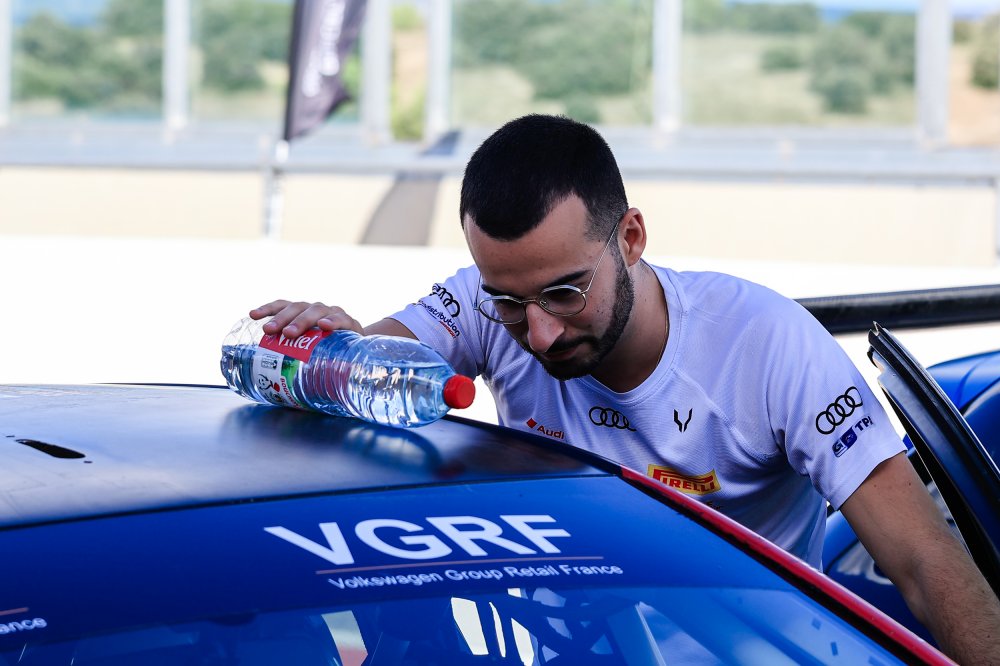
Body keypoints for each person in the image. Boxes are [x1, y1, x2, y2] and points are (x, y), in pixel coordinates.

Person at [253, 114, 1000, 663]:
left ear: (631, 238)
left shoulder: (768, 347)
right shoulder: (488, 302)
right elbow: (363, 368)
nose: (538, 332)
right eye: (508, 301)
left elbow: (925, 564)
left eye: (565, 292)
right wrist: (333, 346)